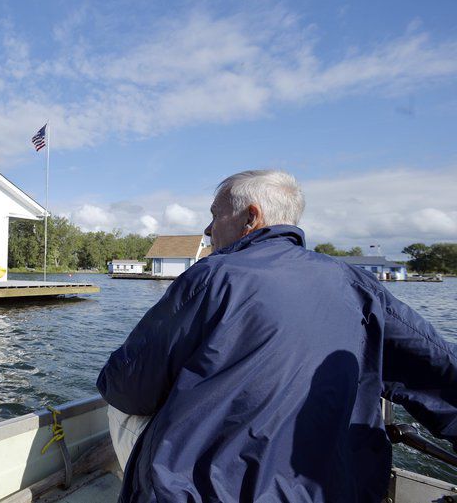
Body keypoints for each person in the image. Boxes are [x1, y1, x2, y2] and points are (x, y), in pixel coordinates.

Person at [97, 169, 457, 502]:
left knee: (117, 404)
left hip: (206, 492)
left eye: (214, 215)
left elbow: (128, 388)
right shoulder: (357, 285)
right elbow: (440, 370)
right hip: (334, 491)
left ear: (251, 218)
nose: (207, 230)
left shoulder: (213, 276)